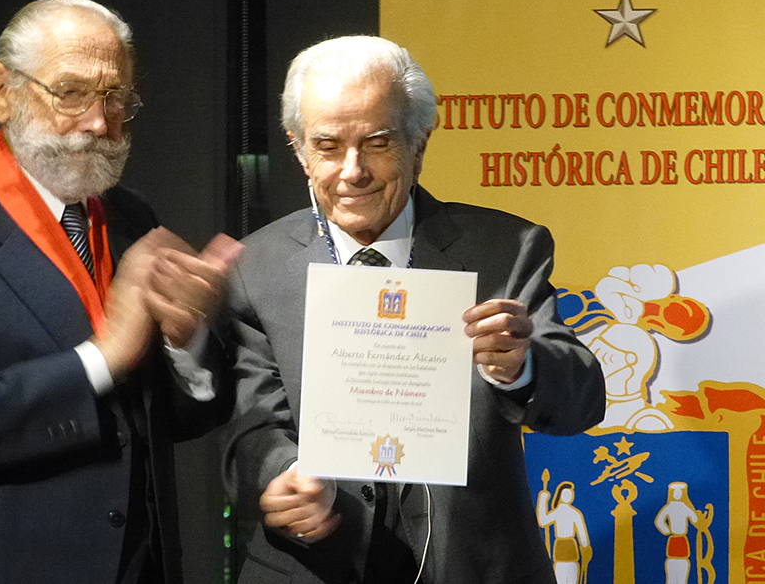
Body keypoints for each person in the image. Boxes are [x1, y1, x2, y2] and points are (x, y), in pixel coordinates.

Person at [0, 0, 241, 583]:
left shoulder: (131, 219)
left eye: (116, 99)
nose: (97, 122)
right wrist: (104, 355)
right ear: (3, 91)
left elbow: (159, 421)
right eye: (71, 93)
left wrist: (186, 345)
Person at [220, 36, 605, 583]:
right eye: (327, 147)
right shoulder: (255, 265)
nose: (352, 171)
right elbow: (250, 424)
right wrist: (283, 473)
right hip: (312, 567)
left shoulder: (506, 249)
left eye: (377, 143)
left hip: (473, 565)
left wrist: (524, 365)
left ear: (420, 142)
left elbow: (583, 400)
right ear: (298, 149)